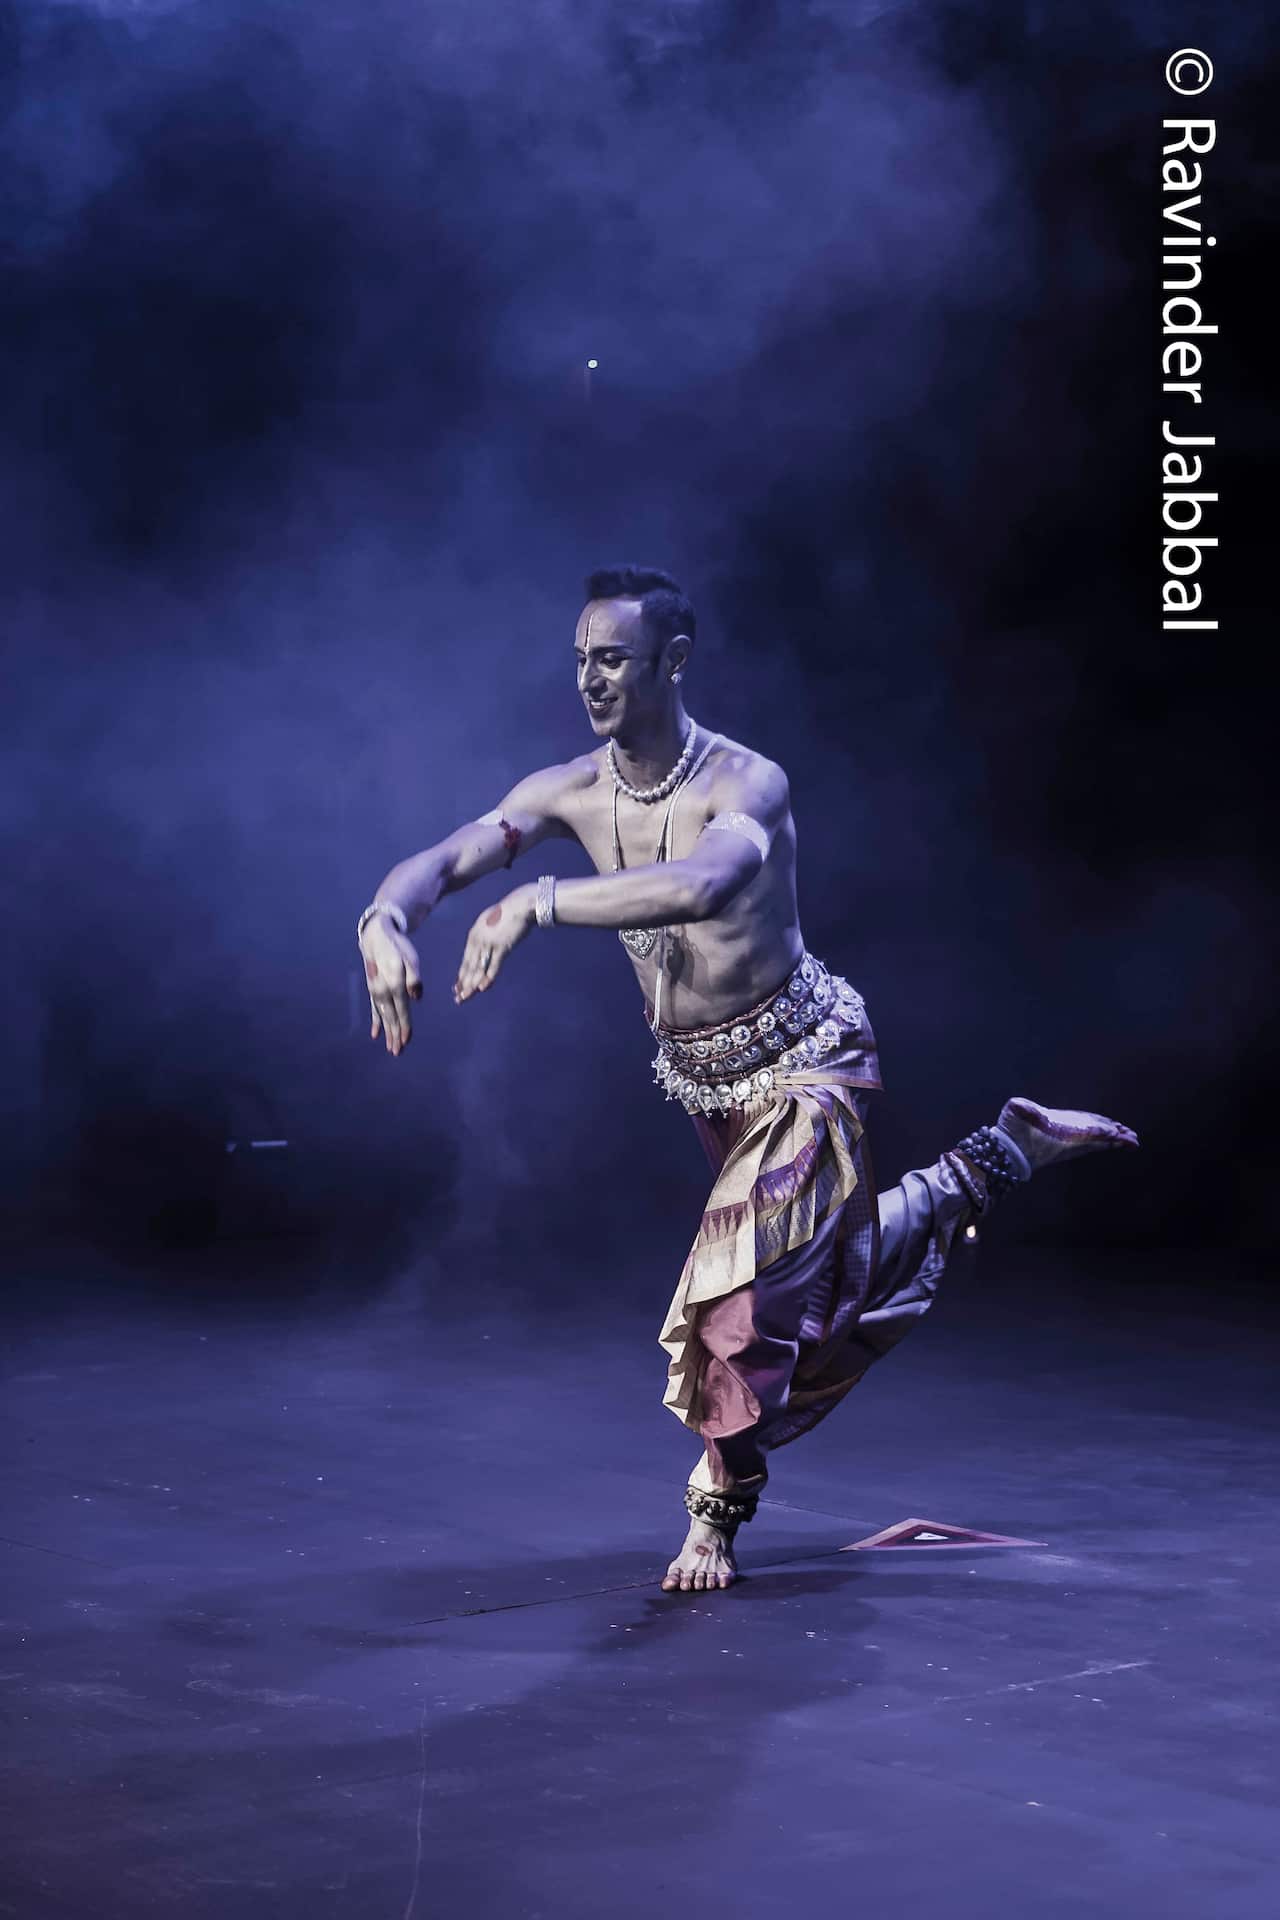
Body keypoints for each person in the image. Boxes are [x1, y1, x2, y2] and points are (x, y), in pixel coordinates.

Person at [357, 566, 1139, 1596]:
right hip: (706, 1084)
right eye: (580, 659)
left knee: (734, 1302)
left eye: (613, 659)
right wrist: (384, 920)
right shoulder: (566, 793)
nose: (590, 679)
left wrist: (539, 903)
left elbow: (705, 884)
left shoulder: (745, 783)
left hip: (810, 1065)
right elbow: (453, 858)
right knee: (825, 1299)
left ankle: (716, 1516)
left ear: (671, 663)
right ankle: (998, 1154)